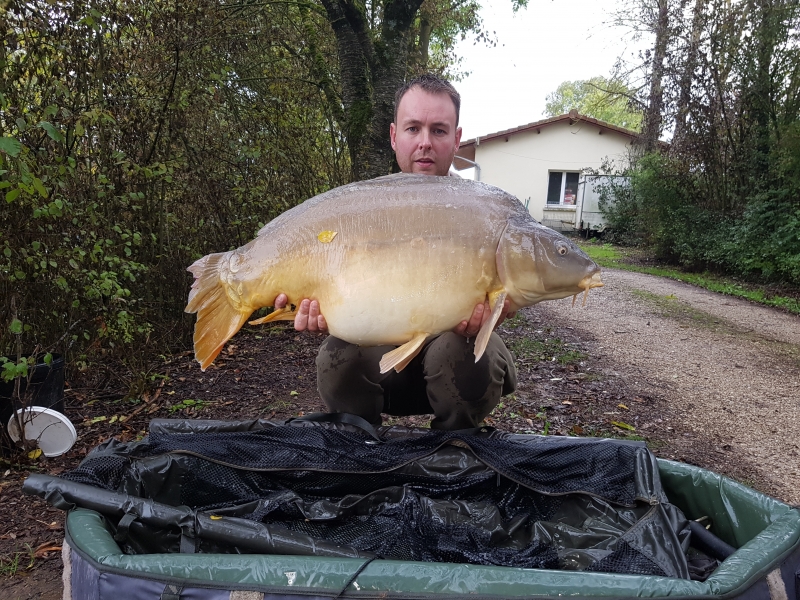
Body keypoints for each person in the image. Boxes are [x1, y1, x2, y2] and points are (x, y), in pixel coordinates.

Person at [274, 74, 516, 430]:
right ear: (393, 136)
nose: (425, 143)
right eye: (413, 128)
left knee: (463, 352)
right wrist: (311, 308)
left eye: (438, 130)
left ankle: (456, 444)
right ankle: (361, 444)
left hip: (452, 366)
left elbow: (516, 282)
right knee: (335, 355)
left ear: (457, 139)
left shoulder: (483, 212)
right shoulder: (361, 207)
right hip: (383, 366)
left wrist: (498, 309)